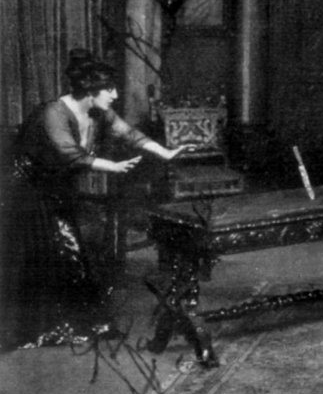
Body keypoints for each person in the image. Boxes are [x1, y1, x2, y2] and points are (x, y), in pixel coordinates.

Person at [2, 50, 186, 349]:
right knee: (61, 250)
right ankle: (50, 327)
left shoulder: (100, 113)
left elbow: (129, 134)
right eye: (109, 89)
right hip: (26, 192)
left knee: (71, 251)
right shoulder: (54, 113)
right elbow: (68, 154)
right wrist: (112, 166)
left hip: (57, 190)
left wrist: (165, 152)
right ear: (90, 90)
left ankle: (76, 323)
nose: (115, 95)